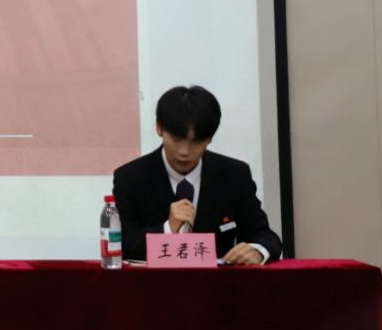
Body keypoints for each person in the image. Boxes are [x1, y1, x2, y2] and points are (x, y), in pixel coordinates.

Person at [112, 85, 281, 265]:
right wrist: (168, 228)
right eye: (177, 139)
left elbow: (265, 235)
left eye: (197, 142)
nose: (184, 152)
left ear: (210, 138)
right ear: (159, 128)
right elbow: (123, 245)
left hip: (217, 282)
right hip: (154, 282)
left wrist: (257, 250)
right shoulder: (130, 178)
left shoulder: (234, 175)